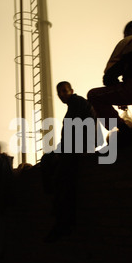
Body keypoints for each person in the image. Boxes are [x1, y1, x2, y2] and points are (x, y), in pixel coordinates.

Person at [41, 81, 99, 243]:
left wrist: (69, 150)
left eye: (64, 91)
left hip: (78, 148)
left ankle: (63, 222)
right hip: (73, 147)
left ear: (71, 91)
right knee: (47, 161)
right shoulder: (74, 105)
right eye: (59, 92)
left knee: (63, 180)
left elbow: (81, 130)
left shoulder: (78, 104)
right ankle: (56, 207)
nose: (62, 95)